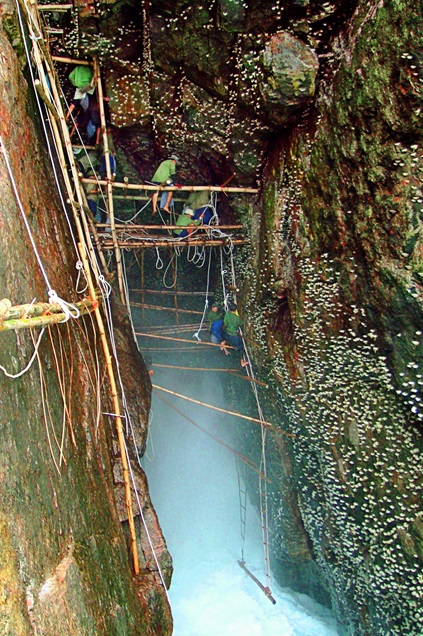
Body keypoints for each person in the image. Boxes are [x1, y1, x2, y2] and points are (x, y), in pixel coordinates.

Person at [221, 302, 248, 367]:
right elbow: (241, 324)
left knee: (227, 338)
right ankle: (242, 362)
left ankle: (223, 343)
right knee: (240, 347)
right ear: (235, 310)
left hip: (227, 333)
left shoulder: (227, 314)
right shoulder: (237, 318)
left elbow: (225, 324)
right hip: (234, 335)